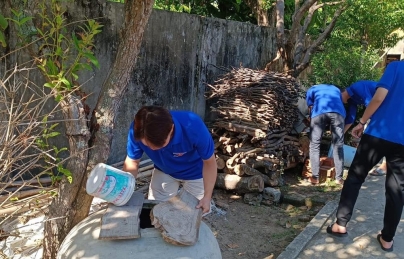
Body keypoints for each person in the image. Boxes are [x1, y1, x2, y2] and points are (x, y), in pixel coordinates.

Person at [327, 60, 404, 252]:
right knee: (396, 190)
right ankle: (387, 239)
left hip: (377, 133)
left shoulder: (396, 67)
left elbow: (379, 98)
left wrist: (362, 122)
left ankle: (340, 225)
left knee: (355, 177)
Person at [122, 105, 217, 214]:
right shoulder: (137, 130)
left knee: (192, 215)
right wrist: (124, 191)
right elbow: (132, 162)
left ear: (171, 129)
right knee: (155, 211)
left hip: (196, 172)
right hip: (164, 170)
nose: (153, 148)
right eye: (148, 145)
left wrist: (207, 196)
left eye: (159, 145)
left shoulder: (194, 127)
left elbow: (209, 163)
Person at [340, 80, 387, 176]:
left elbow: (371, 104)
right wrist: (339, 136)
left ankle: (385, 165)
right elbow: (351, 119)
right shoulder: (351, 98)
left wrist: (364, 123)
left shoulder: (357, 87)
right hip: (381, 109)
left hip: (388, 103)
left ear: (341, 92)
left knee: (383, 134)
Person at [305, 84, 346, 185]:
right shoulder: (336, 89)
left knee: (315, 144)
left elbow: (310, 106)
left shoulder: (312, 88)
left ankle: (315, 178)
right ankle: (339, 179)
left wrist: (310, 118)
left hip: (319, 112)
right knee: (338, 145)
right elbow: (339, 102)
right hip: (338, 113)